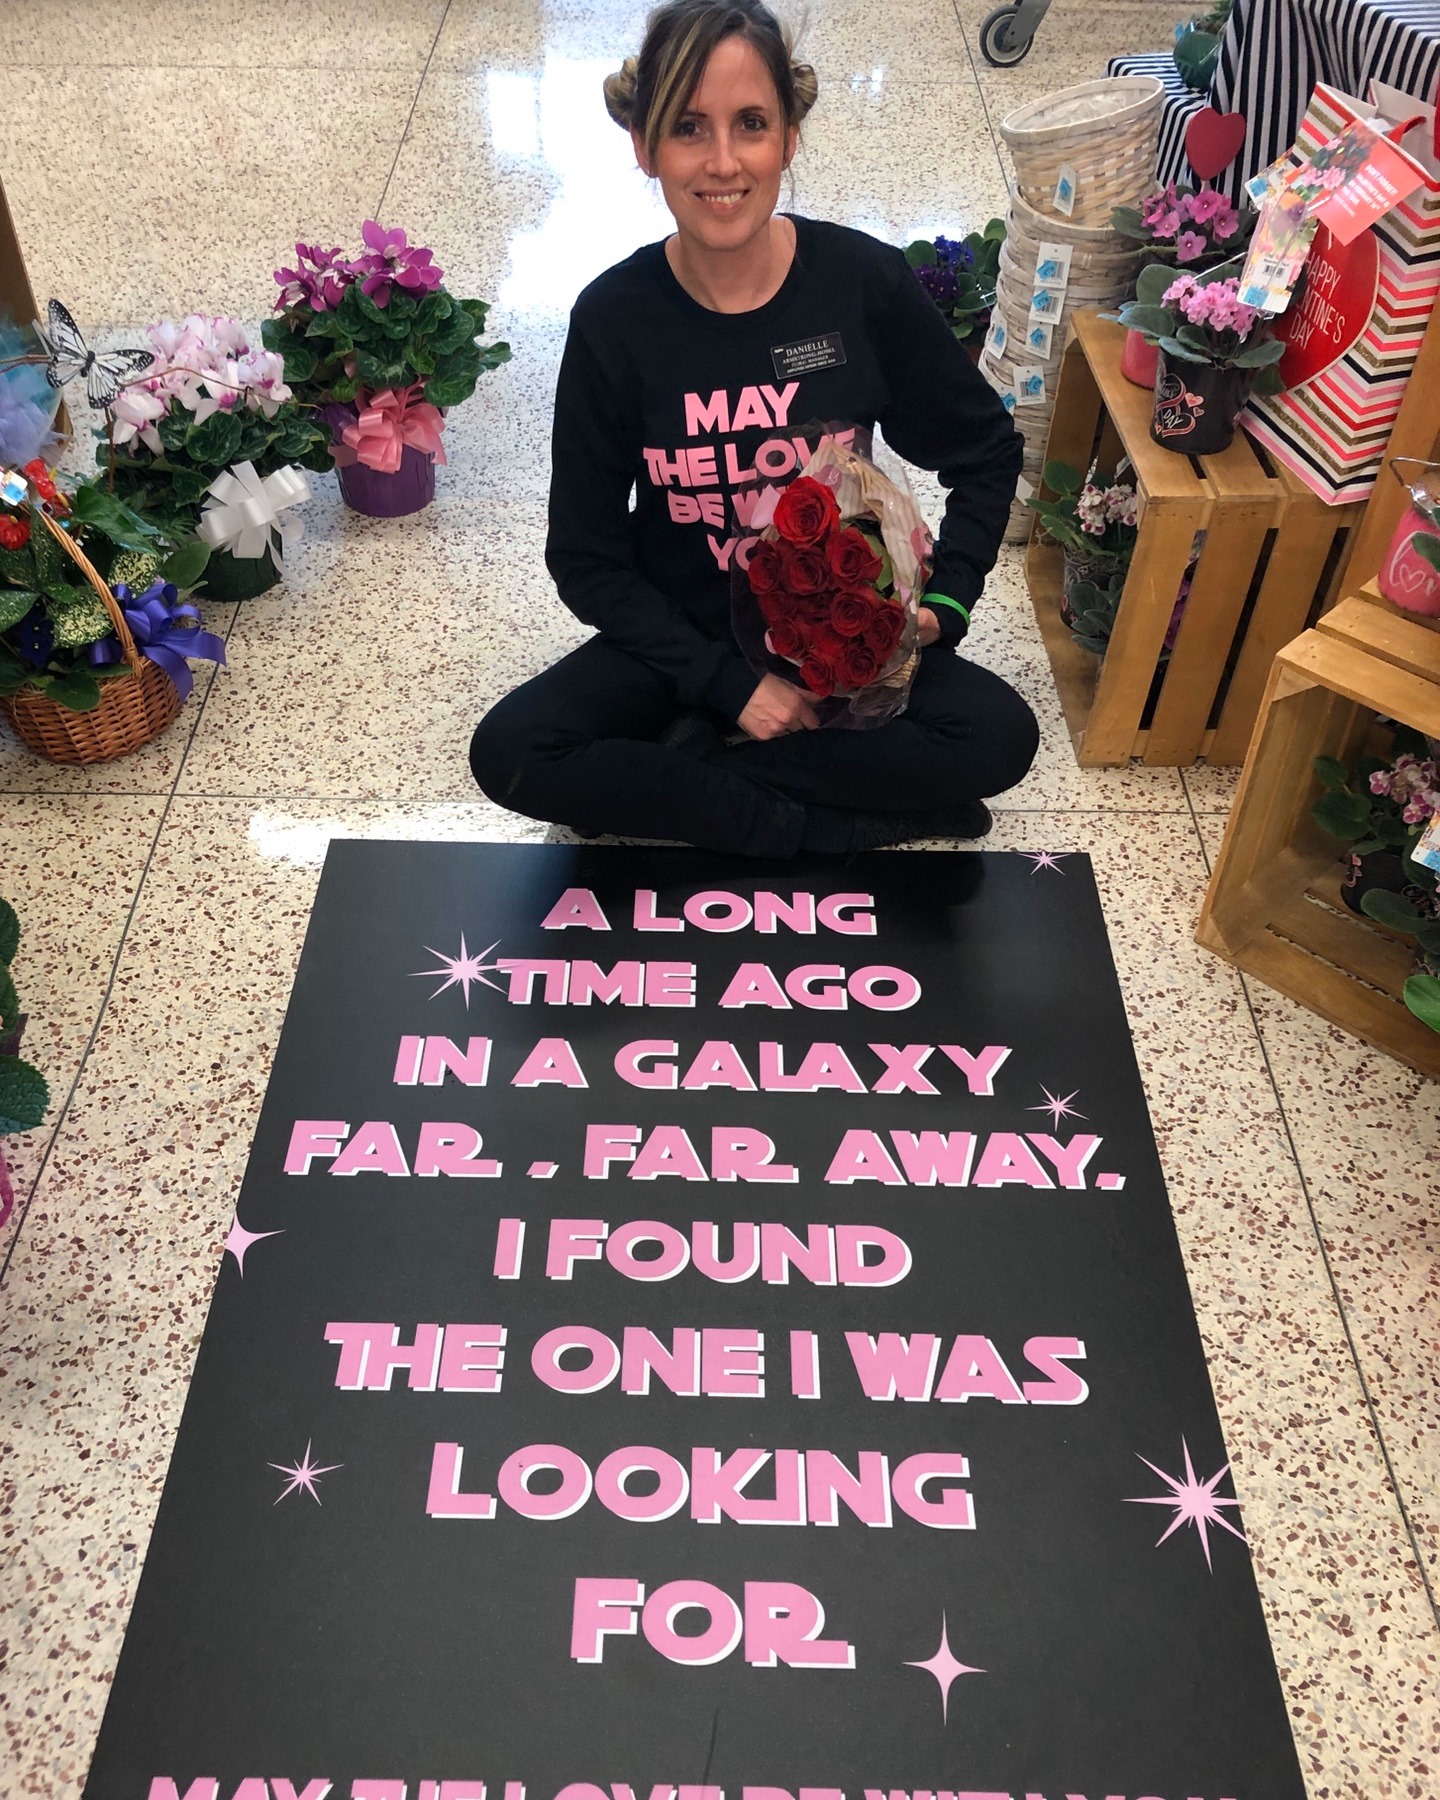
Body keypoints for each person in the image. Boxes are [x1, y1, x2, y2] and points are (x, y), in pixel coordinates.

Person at [471, 0, 1038, 858]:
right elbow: (584, 556)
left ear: (790, 138)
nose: (723, 162)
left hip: (841, 643)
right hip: (678, 647)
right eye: (688, 128)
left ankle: (694, 782)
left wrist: (948, 601)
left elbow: (986, 452)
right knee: (513, 752)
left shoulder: (860, 283)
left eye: (751, 124)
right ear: (643, 146)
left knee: (999, 736)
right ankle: (824, 822)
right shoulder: (614, 319)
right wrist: (728, 686)